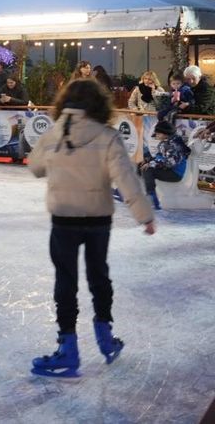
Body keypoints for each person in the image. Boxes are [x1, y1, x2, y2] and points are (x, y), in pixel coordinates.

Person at [27, 78, 155, 379]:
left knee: (65, 280)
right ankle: (105, 336)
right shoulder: (108, 135)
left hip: (64, 218)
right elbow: (126, 179)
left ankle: (68, 349)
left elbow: (35, 167)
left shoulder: (54, 134)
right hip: (98, 219)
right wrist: (144, 216)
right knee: (99, 274)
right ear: (99, 104)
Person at [138, 120, 189, 211]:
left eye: (158, 133)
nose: (156, 135)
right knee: (140, 166)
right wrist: (148, 160)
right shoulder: (165, 142)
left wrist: (151, 164)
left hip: (175, 173)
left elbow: (170, 163)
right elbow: (160, 157)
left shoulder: (174, 144)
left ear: (165, 133)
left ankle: (152, 199)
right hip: (167, 169)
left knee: (148, 170)